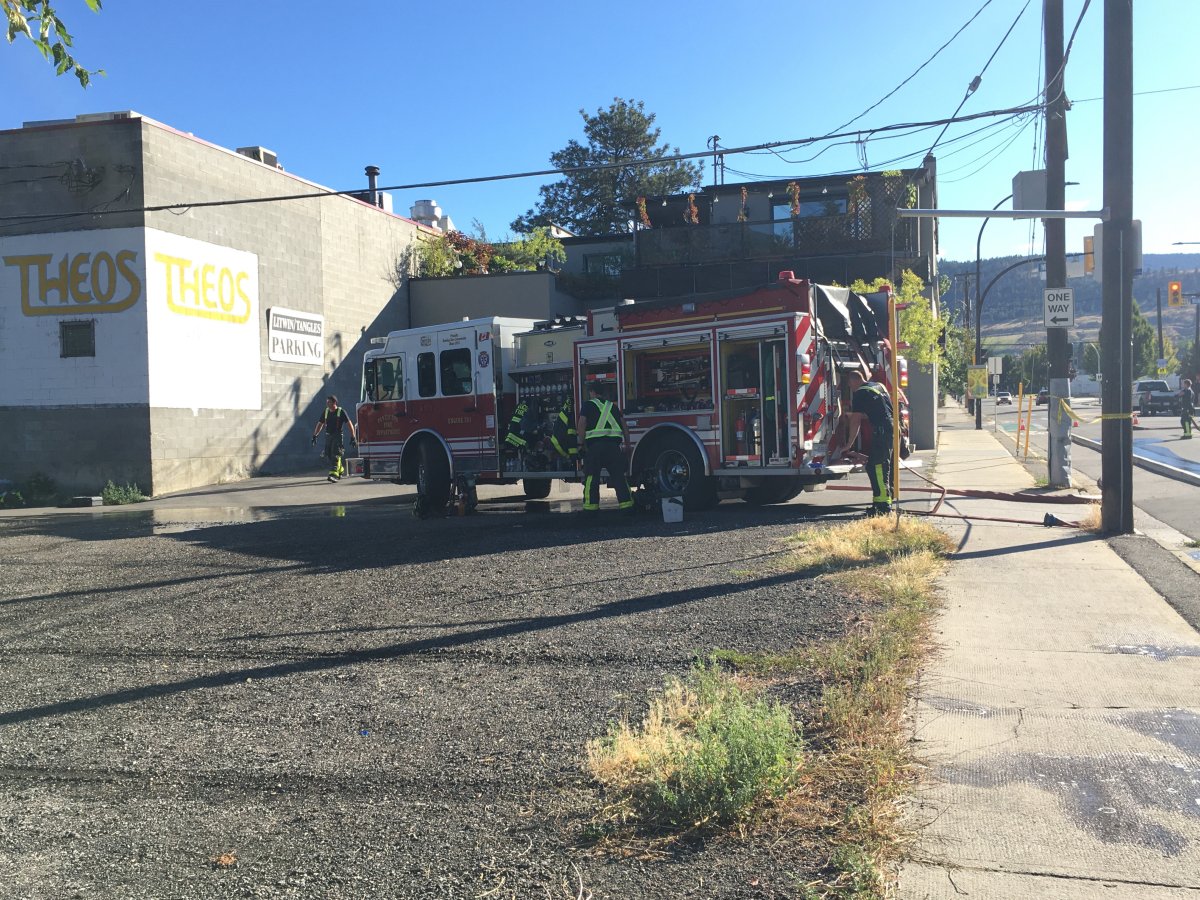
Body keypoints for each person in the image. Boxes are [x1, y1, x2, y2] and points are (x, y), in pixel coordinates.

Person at [838, 371, 895, 516]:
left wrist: (849, 444)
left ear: (854, 381)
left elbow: (856, 421)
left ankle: (883, 506)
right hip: (891, 429)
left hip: (881, 431)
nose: (851, 388)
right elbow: (879, 409)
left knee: (877, 467)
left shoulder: (860, 393)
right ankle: (880, 503)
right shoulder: (878, 386)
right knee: (879, 466)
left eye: (850, 385)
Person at [575, 384, 633, 514]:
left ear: (592, 392)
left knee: (591, 477)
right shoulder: (613, 406)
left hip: (595, 448)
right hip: (613, 448)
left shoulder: (588, 405)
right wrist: (627, 445)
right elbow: (624, 426)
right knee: (619, 477)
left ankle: (591, 509)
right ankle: (627, 506)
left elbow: (582, 423)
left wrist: (581, 444)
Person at [311, 395, 357, 482]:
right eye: (327, 402)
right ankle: (340, 469)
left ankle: (333, 474)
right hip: (328, 436)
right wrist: (315, 435)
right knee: (328, 454)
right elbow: (320, 424)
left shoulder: (341, 411)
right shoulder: (326, 412)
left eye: (329, 402)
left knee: (335, 454)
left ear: (335, 403)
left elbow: (350, 425)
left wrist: (353, 437)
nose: (327, 404)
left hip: (338, 436)